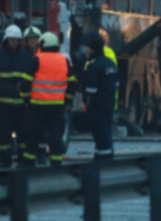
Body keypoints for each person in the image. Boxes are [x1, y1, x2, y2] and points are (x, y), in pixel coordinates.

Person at [20, 32, 77, 167]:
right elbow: (72, 83)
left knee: (32, 135)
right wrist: (67, 101)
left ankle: (29, 162)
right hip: (57, 107)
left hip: (36, 106)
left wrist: (26, 100)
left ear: (42, 45)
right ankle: (56, 162)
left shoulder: (36, 59)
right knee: (55, 136)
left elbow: (25, 83)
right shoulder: (64, 60)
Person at [0, 25, 31, 167]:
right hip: (3, 105)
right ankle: (4, 162)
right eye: (11, 39)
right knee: (3, 136)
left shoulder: (26, 56)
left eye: (16, 39)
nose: (14, 42)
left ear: (20, 41)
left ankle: (23, 162)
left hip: (22, 105)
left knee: (23, 136)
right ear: (6, 39)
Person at [82, 31, 118, 160]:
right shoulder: (110, 63)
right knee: (105, 136)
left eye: (88, 46)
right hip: (108, 105)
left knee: (101, 137)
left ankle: (103, 164)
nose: (86, 49)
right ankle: (101, 160)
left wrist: (87, 108)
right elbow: (116, 84)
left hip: (97, 108)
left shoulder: (93, 66)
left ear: (94, 47)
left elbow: (90, 92)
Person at [21, 25, 49, 162]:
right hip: (27, 97)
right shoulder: (22, 55)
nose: (32, 41)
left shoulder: (43, 55)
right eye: (30, 39)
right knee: (28, 128)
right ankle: (28, 154)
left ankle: (41, 153)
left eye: (34, 38)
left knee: (41, 128)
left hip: (41, 97)